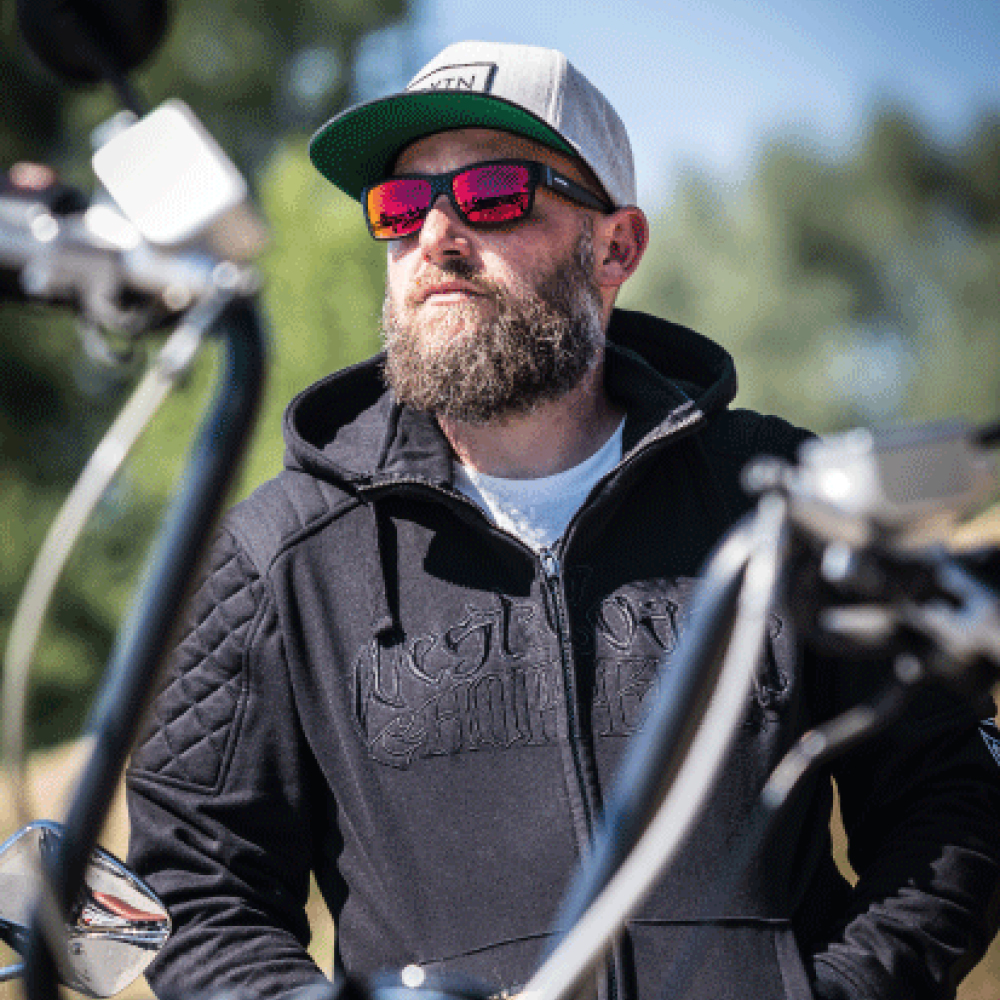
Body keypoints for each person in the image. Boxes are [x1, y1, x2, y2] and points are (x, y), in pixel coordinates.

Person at [126, 40, 1000, 1000]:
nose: (438, 234)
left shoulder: (782, 499)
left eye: (494, 193)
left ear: (616, 247)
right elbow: (196, 897)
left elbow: (951, 803)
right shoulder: (277, 557)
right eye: (401, 206)